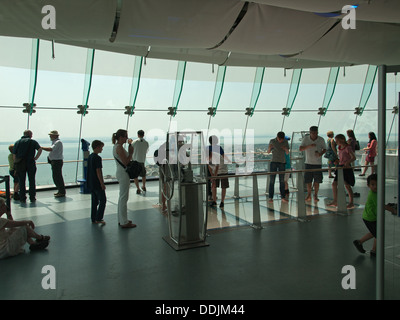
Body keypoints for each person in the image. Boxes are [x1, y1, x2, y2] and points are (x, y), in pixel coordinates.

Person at [353, 174, 395, 256]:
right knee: (377, 234)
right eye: (373, 184)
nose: (375, 186)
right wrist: (393, 210)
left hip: (373, 217)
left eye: (377, 184)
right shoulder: (373, 195)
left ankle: (364, 244)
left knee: (375, 233)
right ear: (368, 185)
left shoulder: (377, 193)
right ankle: (371, 248)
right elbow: (382, 206)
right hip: (369, 218)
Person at [112, 129, 136, 228]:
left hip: (120, 172)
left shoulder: (117, 147)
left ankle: (122, 219)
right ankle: (124, 222)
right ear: (121, 137)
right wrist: (130, 153)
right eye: (125, 136)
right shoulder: (119, 148)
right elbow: (126, 162)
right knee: (124, 198)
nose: (126, 138)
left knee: (122, 197)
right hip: (123, 173)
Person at [12, 130, 42, 203]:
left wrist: (16, 163)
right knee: (32, 180)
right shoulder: (33, 142)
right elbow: (40, 149)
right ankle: (32, 197)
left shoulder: (17, 142)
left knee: (21, 181)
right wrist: (36, 157)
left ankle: (22, 198)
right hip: (30, 163)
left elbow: (14, 154)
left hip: (20, 164)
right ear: (30, 135)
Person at [328, 134, 356, 209]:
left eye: (337, 140)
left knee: (347, 185)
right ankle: (335, 200)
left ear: (341, 140)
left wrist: (347, 162)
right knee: (334, 184)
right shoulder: (340, 148)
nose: (336, 142)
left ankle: (351, 202)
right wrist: (338, 161)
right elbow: (342, 158)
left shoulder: (347, 148)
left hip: (346, 168)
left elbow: (353, 157)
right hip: (341, 167)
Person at [299, 126, 326, 202]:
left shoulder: (321, 139)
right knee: (308, 181)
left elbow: (325, 149)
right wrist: (309, 146)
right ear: (310, 133)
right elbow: (301, 148)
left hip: (317, 163)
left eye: (316, 133)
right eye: (313, 133)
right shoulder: (306, 139)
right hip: (308, 162)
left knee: (317, 180)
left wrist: (320, 154)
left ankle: (316, 195)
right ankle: (309, 194)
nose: (314, 134)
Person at [41, 130, 66, 198]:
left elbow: (50, 149)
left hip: (56, 162)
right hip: (55, 161)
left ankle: (61, 191)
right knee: (56, 177)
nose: (50, 136)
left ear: (55, 136)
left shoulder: (58, 142)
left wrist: (41, 148)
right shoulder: (55, 142)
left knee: (57, 177)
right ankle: (60, 190)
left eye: (51, 135)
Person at [87, 140, 106, 225]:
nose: (102, 149)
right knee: (103, 200)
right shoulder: (98, 158)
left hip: (91, 182)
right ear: (97, 147)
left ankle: (93, 218)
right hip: (97, 183)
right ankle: (99, 217)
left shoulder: (90, 156)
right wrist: (102, 183)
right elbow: (98, 171)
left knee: (94, 201)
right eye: (101, 147)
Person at [267, 131, 289, 203]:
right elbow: (268, 152)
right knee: (272, 180)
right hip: (274, 161)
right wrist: (270, 148)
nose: (281, 141)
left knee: (282, 180)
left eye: (282, 139)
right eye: (280, 139)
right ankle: (270, 197)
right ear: (277, 137)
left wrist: (285, 148)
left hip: (282, 162)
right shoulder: (272, 141)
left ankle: (283, 196)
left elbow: (287, 152)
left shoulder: (285, 142)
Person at [132, 130, 149, 194]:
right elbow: (146, 150)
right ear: (143, 135)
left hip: (135, 160)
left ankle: (138, 188)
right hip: (142, 160)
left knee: (135, 176)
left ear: (138, 134)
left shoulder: (134, 142)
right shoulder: (146, 142)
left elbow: (131, 150)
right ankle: (144, 186)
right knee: (143, 175)